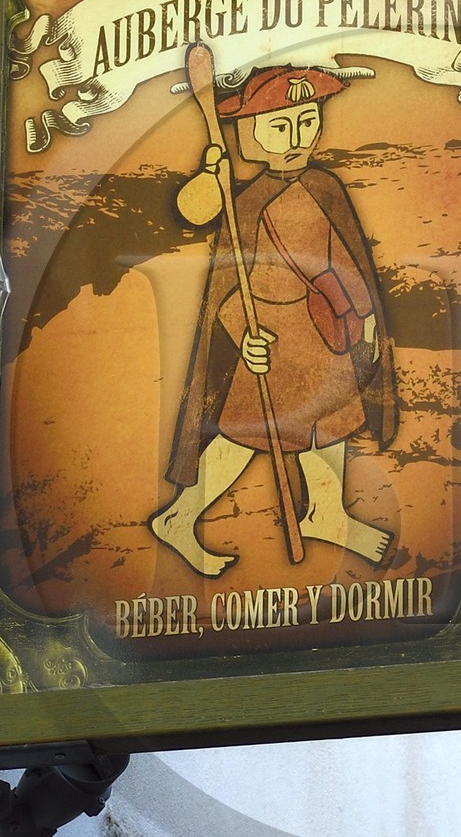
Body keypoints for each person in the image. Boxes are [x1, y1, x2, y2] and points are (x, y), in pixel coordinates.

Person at [152, 66, 398, 575]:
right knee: (245, 436)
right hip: (276, 343)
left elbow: (347, 260)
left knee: (327, 426)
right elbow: (227, 285)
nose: (297, 138)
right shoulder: (246, 204)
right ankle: (179, 516)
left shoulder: (326, 186)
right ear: (252, 135)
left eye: (307, 122)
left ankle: (327, 513)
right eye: (281, 127)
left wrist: (367, 319)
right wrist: (246, 339)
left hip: (326, 335)